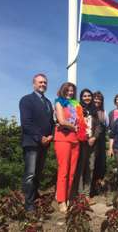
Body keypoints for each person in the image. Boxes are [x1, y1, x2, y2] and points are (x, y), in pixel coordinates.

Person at [19, 73, 55, 212]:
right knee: (30, 174)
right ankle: (29, 205)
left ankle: (34, 196)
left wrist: (51, 136)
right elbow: (26, 123)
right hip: (32, 143)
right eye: (40, 82)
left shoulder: (47, 102)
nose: (43, 84)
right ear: (34, 84)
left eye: (45, 82)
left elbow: (51, 123)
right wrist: (40, 137)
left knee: (38, 173)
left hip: (45, 143)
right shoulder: (26, 100)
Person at [53, 82, 87, 212]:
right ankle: (61, 200)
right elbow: (61, 121)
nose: (70, 92)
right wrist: (74, 127)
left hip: (75, 140)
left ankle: (68, 198)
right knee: (63, 171)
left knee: (72, 172)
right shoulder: (59, 103)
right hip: (62, 139)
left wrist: (81, 128)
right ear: (63, 90)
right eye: (67, 90)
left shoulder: (76, 105)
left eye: (72, 90)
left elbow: (80, 121)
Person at [73, 88, 102, 201]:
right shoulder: (77, 109)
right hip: (80, 142)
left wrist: (94, 137)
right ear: (81, 97)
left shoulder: (95, 111)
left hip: (92, 143)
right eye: (84, 96)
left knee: (90, 167)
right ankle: (80, 194)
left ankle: (86, 193)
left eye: (89, 96)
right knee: (80, 168)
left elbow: (99, 126)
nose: (87, 98)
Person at [92, 91, 108, 187]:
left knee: (100, 161)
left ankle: (98, 183)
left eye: (99, 99)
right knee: (91, 162)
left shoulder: (104, 112)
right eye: (95, 98)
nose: (97, 100)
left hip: (101, 139)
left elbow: (107, 125)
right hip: (90, 138)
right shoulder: (88, 110)